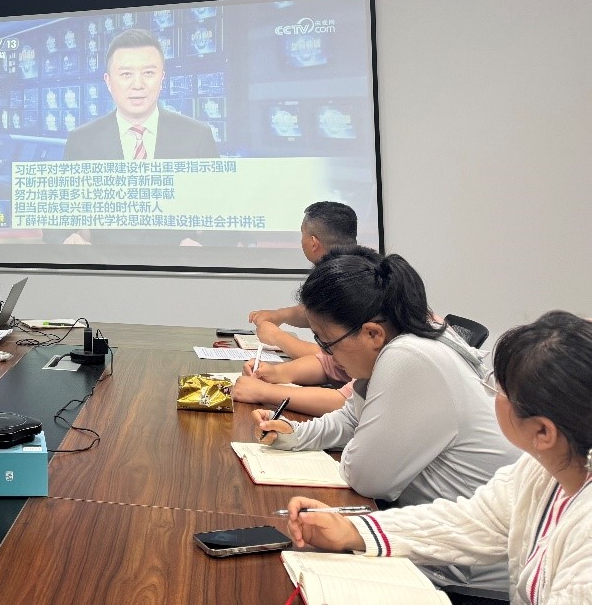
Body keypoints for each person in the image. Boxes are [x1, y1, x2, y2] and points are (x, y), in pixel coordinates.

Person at [252, 247, 519, 590]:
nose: (327, 354)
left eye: (327, 343)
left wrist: (356, 442)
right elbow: (351, 418)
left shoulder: (410, 357)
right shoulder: (411, 338)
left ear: (372, 334)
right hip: (430, 543)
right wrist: (296, 433)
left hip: (466, 579)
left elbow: (366, 477)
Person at [284, 311, 592, 604]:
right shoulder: (542, 469)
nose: (491, 395)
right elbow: (472, 522)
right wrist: (352, 531)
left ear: (543, 432)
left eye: (500, 389)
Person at [53, 27, 219, 245]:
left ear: (162, 78)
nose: (138, 84)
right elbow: (57, 222)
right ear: (108, 81)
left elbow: (223, 215)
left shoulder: (197, 136)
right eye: (126, 74)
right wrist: (68, 239)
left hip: (177, 263)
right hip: (105, 264)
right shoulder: (82, 140)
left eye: (148, 73)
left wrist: (203, 246)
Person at [248, 201, 358, 356]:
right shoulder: (356, 269)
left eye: (302, 234)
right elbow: (321, 313)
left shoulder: (344, 282)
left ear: (313, 243)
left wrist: (276, 337)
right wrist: (279, 316)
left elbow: (334, 359)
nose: (301, 241)